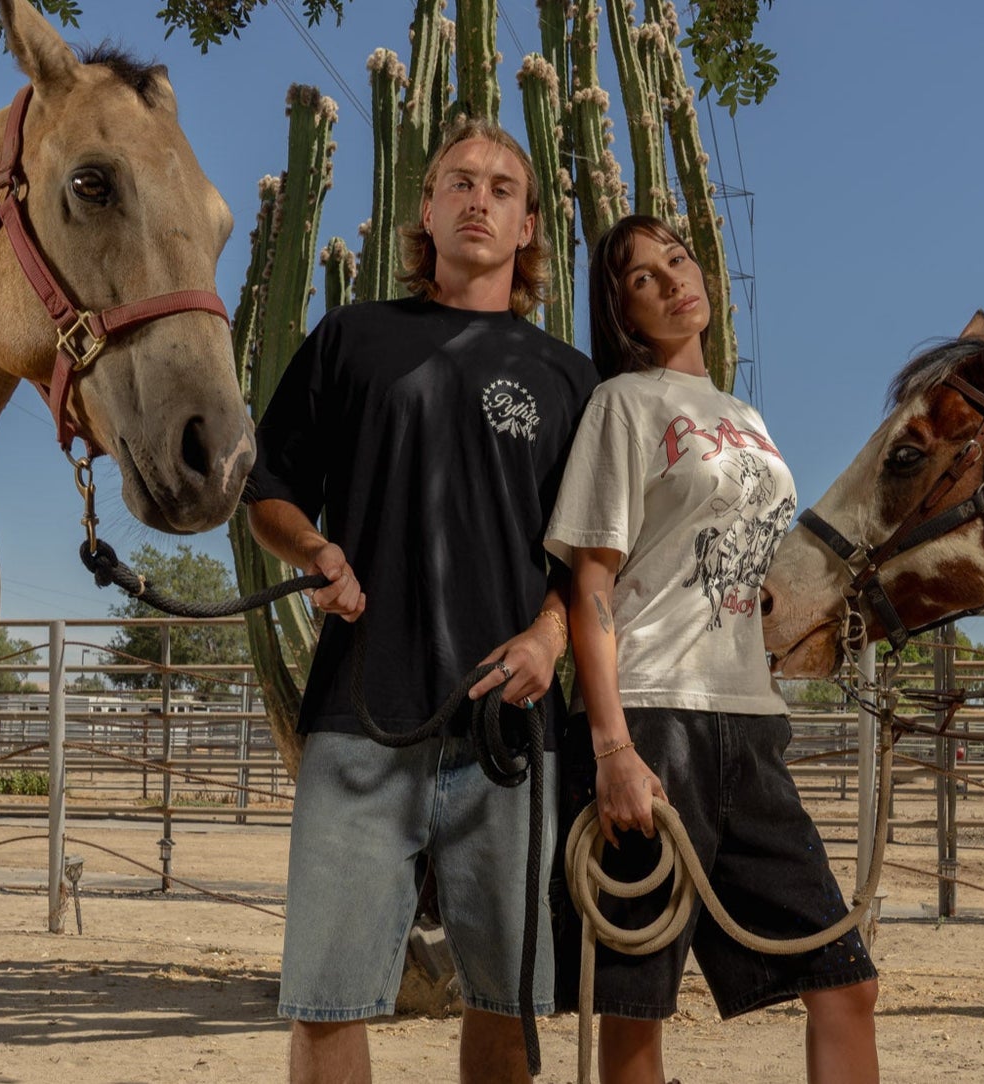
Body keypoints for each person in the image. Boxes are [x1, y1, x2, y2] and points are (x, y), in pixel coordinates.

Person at [245, 120, 598, 1084]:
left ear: (528, 225)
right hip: (361, 720)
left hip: (510, 735)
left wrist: (549, 634)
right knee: (325, 1001)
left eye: (502, 188)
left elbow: (594, 555)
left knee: (506, 1004)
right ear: (429, 208)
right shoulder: (354, 339)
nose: (480, 199)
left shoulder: (570, 379)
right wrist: (313, 546)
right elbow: (267, 486)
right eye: (460, 182)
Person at [545, 214, 880, 1084]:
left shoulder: (747, 419)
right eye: (644, 279)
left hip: (751, 722)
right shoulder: (623, 405)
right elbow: (592, 586)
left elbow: (730, 553)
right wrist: (611, 748)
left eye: (678, 261)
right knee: (637, 1008)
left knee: (844, 979)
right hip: (653, 721)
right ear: (623, 313)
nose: (672, 281)